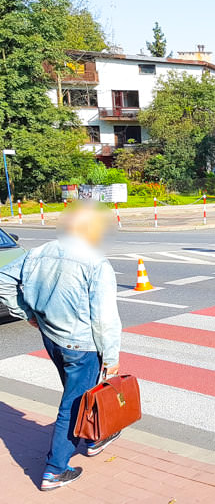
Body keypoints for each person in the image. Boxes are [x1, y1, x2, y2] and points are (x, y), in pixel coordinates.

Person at [0, 204, 122, 491]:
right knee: (73, 403)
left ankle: (94, 438)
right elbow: (104, 317)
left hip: (52, 339)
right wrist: (112, 356)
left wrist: (27, 314)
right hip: (82, 345)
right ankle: (54, 470)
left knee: (79, 395)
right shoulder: (96, 263)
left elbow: (3, 280)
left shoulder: (38, 252)